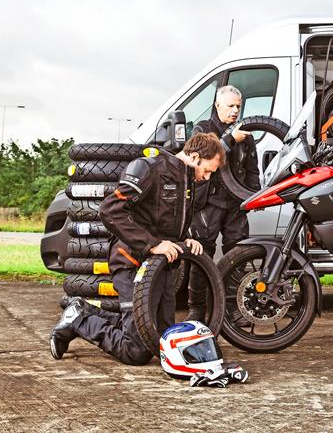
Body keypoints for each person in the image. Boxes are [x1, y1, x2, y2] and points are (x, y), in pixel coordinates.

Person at [49, 132, 224, 364]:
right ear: (194, 156)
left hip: (161, 268)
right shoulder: (149, 169)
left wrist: (188, 239)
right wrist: (151, 245)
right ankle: (78, 319)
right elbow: (110, 210)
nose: (207, 177)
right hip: (131, 261)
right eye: (208, 170)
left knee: (162, 338)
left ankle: (84, 311)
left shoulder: (188, 180)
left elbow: (169, 222)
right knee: (136, 351)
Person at [186, 85, 260, 321]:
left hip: (236, 205)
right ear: (217, 106)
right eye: (230, 106)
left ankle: (233, 309)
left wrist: (253, 197)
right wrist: (229, 139)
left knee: (238, 256)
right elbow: (201, 159)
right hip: (208, 202)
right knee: (201, 256)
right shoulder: (203, 129)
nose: (235, 110)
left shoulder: (247, 136)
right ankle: (197, 310)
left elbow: (252, 171)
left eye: (238, 106)